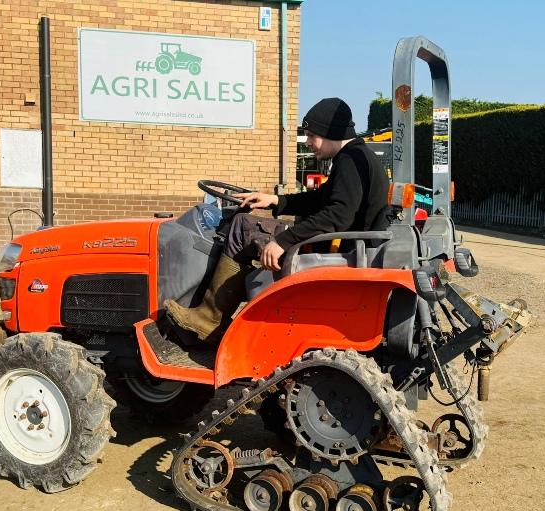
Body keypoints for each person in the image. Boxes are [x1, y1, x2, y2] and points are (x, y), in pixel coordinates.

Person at [164, 97, 389, 343]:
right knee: (245, 227)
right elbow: (320, 199)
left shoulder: (350, 161)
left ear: (327, 132)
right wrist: (274, 200)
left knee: (241, 228)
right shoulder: (358, 157)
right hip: (341, 243)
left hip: (337, 248)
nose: (309, 143)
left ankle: (209, 319)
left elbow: (338, 216)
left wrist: (283, 241)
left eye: (311, 135)